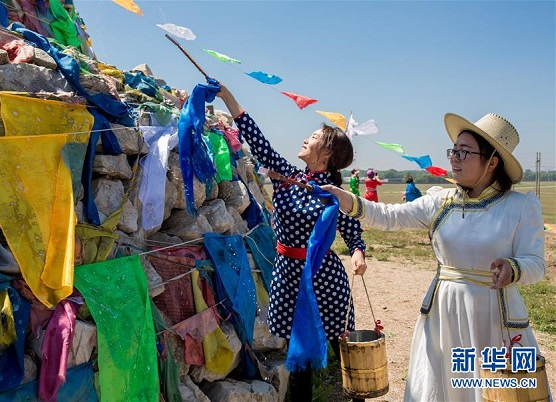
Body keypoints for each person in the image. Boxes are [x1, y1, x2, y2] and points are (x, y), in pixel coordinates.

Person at [322, 112, 547, 402]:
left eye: (464, 152)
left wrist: (513, 268)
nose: (454, 158)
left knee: (499, 390)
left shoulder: (520, 206)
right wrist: (347, 199)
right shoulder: (441, 201)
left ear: (492, 162)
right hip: (445, 313)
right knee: (443, 387)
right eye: (453, 150)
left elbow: (537, 264)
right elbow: (389, 216)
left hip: (494, 316)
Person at [216, 83, 367, 402]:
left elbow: (351, 230)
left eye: (312, 138)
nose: (304, 139)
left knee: (342, 348)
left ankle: (357, 394)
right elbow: (257, 141)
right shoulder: (287, 177)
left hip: (322, 280)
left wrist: (357, 252)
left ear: (325, 154)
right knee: (299, 357)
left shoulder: (334, 193)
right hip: (288, 277)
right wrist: (228, 97)